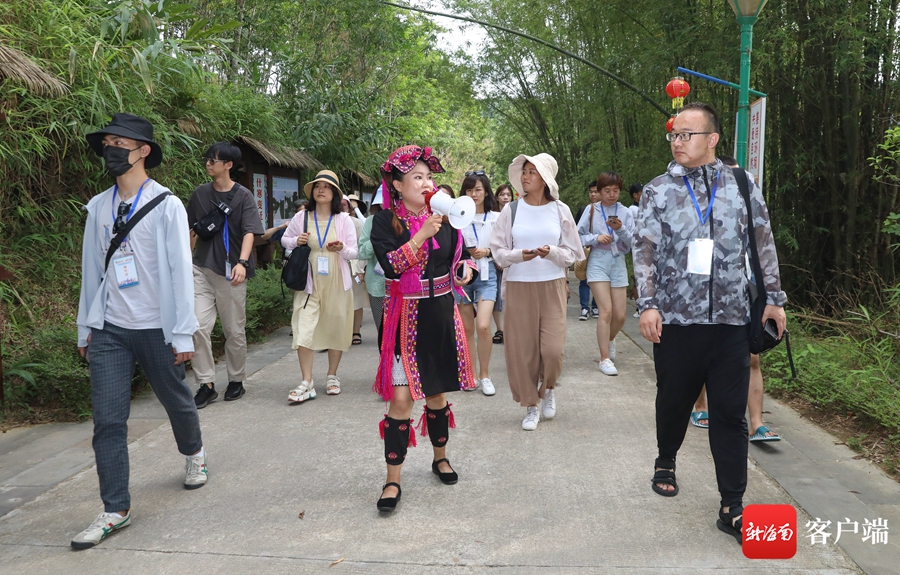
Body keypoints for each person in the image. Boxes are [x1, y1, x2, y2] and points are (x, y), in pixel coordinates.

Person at [633, 102, 787, 544]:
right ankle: (666, 458)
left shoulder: (742, 184)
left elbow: (763, 241)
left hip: (732, 319)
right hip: (677, 320)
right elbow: (644, 250)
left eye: (687, 134)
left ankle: (732, 506)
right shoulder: (658, 190)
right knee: (674, 400)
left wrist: (774, 299)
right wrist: (648, 304)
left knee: (728, 414)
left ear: (712, 139)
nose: (677, 142)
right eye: (674, 135)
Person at [74, 113, 206, 549]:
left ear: (143, 151)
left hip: (156, 327)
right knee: (108, 420)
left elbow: (180, 272)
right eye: (107, 143)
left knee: (176, 400)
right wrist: (85, 328)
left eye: (120, 143)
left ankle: (194, 453)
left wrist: (182, 334)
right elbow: (91, 271)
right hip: (109, 328)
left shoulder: (167, 205)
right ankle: (116, 508)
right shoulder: (98, 206)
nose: (111, 149)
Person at [370, 145, 477, 513]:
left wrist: (464, 269)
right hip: (405, 317)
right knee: (401, 400)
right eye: (417, 177)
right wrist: (419, 235)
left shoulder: (446, 217)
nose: (427, 183)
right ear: (398, 185)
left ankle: (440, 458)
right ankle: (392, 480)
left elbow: (461, 256)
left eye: (429, 176)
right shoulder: (384, 222)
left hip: (441, 313)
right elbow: (392, 265)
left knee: (436, 394)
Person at [690, 156, 781, 443]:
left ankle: (757, 423)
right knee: (702, 356)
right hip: (703, 296)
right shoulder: (698, 206)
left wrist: (772, 298)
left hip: (745, 295)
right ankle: (700, 406)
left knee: (752, 359)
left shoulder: (749, 203)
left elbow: (764, 250)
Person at [491, 153, 584, 431]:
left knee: (553, 350)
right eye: (524, 171)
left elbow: (573, 252)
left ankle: (549, 388)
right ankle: (531, 405)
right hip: (519, 287)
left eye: (532, 172)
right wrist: (520, 255)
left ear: (545, 179)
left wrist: (551, 252)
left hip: (552, 285)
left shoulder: (560, 210)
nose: (526, 176)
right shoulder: (511, 210)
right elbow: (498, 251)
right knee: (524, 351)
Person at [187, 142, 264, 408]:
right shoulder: (200, 194)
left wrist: (242, 262)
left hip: (231, 272)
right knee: (197, 326)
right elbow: (192, 230)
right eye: (207, 159)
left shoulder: (243, 196)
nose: (208, 164)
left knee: (234, 331)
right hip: (201, 269)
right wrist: (185, 263)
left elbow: (250, 231)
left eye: (213, 160)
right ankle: (206, 384)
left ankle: (236, 379)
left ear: (228, 165)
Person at [281, 170, 358, 400]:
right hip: (309, 281)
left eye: (326, 186)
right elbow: (285, 240)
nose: (321, 190)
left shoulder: (343, 219)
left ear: (334, 193)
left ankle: (332, 375)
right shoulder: (302, 217)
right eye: (317, 186)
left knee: (336, 327)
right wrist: (296, 241)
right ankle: (307, 381)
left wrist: (341, 248)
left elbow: (354, 252)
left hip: (337, 281)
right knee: (303, 327)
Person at [577, 171, 634, 376]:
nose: (611, 194)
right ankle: (604, 358)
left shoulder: (626, 212)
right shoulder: (592, 209)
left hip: (618, 260)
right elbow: (577, 236)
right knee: (606, 311)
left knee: (620, 315)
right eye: (607, 190)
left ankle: (609, 339)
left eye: (615, 190)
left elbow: (633, 242)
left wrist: (620, 229)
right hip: (598, 261)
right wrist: (596, 238)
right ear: (599, 191)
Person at [457, 171, 500, 396]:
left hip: (487, 275)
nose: (474, 194)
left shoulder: (497, 218)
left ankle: (485, 375)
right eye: (469, 190)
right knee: (466, 329)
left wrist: (488, 252)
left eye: (478, 190)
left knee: (483, 325)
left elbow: (505, 247)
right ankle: (469, 375)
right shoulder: (457, 218)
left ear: (486, 192)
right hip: (462, 277)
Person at [357, 185, 386, 333]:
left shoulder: (408, 219)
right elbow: (362, 252)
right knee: (382, 329)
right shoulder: (371, 221)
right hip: (377, 283)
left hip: (404, 285)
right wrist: (376, 238)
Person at [574, 181, 601, 321]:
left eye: (596, 191)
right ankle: (585, 307)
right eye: (591, 192)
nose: (593, 194)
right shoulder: (585, 210)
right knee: (584, 278)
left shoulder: (607, 211)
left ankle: (596, 306)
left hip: (600, 251)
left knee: (598, 279)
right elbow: (577, 231)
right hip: (586, 250)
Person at [491, 184, 514, 343]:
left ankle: (512, 329)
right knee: (496, 297)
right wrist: (497, 259)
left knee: (511, 297)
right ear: (497, 197)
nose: (505, 197)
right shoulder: (492, 215)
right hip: (495, 262)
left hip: (513, 260)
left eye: (508, 194)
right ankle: (500, 329)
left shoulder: (516, 213)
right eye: (502, 194)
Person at [343, 195, 367, 345]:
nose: (341, 207)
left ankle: (355, 331)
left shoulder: (357, 223)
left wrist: (361, 268)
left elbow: (362, 246)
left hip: (354, 267)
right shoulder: (329, 222)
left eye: (344, 204)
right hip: (336, 267)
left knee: (357, 300)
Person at [628, 182, 643, 317]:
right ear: (635, 195)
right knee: (638, 276)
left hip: (647, 246)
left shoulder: (645, 207)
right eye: (641, 193)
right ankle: (639, 307)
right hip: (638, 246)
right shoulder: (632, 210)